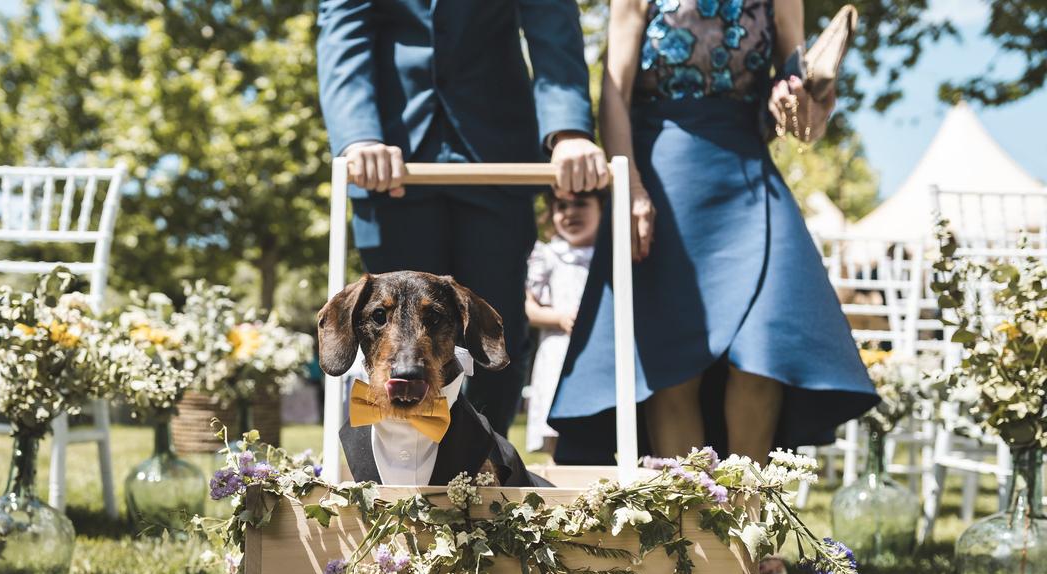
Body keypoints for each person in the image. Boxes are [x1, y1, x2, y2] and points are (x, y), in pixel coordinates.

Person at [549, 0, 877, 475]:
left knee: (763, 356)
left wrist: (802, 102)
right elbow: (613, 93)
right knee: (673, 365)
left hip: (747, 177)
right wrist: (632, 188)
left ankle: (748, 527)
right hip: (663, 178)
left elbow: (802, 123)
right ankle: (693, 530)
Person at [316, 0, 609, 436]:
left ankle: (485, 478)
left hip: (497, 153)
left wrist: (568, 131)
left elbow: (551, 20)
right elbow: (343, 24)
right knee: (389, 326)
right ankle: (400, 485)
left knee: (497, 331)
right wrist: (358, 135)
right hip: (388, 161)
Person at [524, 189, 603, 456]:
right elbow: (528, 307)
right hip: (559, 350)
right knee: (556, 424)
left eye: (581, 204)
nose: (570, 213)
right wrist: (559, 317)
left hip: (602, 352)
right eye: (562, 207)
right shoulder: (548, 255)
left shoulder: (610, 254)